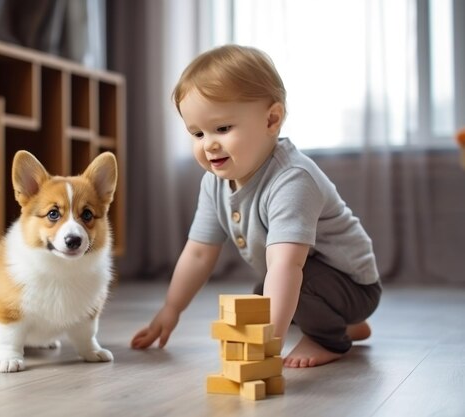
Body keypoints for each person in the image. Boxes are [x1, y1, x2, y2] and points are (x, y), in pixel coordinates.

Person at [130, 45, 382, 368]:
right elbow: (197, 253)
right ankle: (343, 323)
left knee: (286, 288)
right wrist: (171, 309)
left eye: (222, 129)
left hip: (355, 286)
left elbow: (286, 266)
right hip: (315, 280)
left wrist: (269, 343)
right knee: (260, 297)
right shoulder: (214, 183)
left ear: (271, 120)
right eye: (197, 133)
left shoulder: (292, 179)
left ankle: (329, 337)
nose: (209, 144)